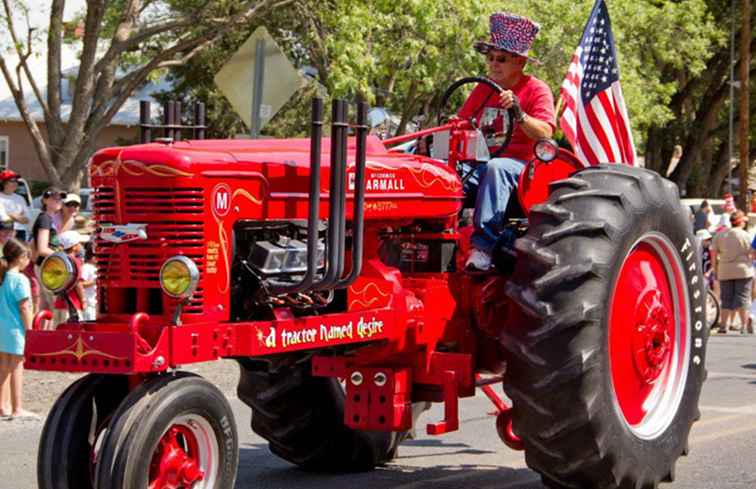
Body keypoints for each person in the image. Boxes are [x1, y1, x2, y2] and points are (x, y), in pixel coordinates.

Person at [458, 12, 555, 270]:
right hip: (483, 164)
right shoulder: (483, 89)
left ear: (520, 62)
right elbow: (459, 124)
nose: (493, 64)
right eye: (490, 58)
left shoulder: (536, 89)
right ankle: (436, 238)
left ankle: (484, 248)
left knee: (496, 168)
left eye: (501, 59)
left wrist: (519, 114)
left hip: (522, 169)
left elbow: (546, 133)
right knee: (447, 174)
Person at [0, 238, 36, 419]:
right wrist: (30, 330)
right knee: (16, 367)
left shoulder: (2, 277)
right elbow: (24, 307)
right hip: (16, 329)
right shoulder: (21, 279)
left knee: (3, 367)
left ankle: (2, 405)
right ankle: (17, 408)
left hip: (2, 327)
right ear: (21, 257)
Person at [711, 210, 754, 334]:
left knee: (726, 299)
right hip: (743, 270)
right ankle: (743, 327)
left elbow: (713, 254)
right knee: (743, 298)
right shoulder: (746, 235)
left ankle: (724, 326)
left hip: (725, 270)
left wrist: (715, 269)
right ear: (740, 222)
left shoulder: (720, 235)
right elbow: (751, 252)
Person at [31, 187, 65, 312]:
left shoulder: (49, 219)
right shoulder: (44, 218)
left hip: (47, 265)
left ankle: (44, 331)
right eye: (54, 197)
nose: (58, 200)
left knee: (47, 305)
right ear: (45, 200)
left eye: (60, 198)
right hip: (46, 265)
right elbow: (42, 249)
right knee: (55, 306)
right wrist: (65, 257)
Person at [51, 230, 86, 326]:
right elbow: (78, 284)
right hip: (72, 304)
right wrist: (83, 300)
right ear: (74, 247)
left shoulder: (59, 260)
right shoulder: (75, 261)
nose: (82, 246)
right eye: (80, 244)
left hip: (59, 303)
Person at [0, 170, 31, 242]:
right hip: (4, 232)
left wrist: (10, 214)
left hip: (21, 233)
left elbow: (28, 218)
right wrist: (19, 216)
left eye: (16, 181)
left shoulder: (20, 198)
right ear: (3, 183)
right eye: (12, 181)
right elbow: (3, 218)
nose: (15, 183)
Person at [81, 242, 97, 321]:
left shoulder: (95, 267)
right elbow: (81, 283)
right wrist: (95, 281)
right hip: (89, 304)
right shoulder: (86, 267)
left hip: (95, 304)